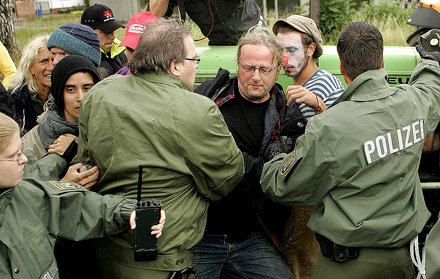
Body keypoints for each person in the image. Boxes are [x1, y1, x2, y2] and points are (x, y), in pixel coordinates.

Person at [261, 22, 440, 279]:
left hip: (345, 265)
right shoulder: (413, 103)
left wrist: (276, 156)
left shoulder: (329, 126)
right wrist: (431, 61)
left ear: (342, 68)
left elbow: (282, 186)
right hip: (401, 262)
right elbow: (431, 88)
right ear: (382, 62)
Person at [78, 18, 244, 278]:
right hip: (161, 259)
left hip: (105, 247)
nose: (196, 68)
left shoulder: (99, 93)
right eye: (194, 60)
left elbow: (87, 164)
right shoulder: (197, 109)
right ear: (175, 66)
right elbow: (227, 178)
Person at [192, 26, 306, 279]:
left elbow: (294, 171)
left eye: (264, 69)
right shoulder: (209, 97)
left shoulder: (287, 113)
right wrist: (262, 169)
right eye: (248, 68)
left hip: (251, 235)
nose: (255, 77)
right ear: (238, 65)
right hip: (201, 233)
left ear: (278, 69)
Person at [0, 112, 165, 279]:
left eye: (20, 151)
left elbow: (74, 206)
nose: (24, 160)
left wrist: (131, 211)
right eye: (13, 156)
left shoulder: (22, 195)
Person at [272, 15, 345, 278]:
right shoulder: (298, 83)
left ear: (311, 49)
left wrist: (319, 105)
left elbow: (344, 141)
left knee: (299, 256)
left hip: (313, 195)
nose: (283, 58)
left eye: (291, 50)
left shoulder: (323, 85)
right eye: (279, 50)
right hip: (302, 188)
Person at [22, 56, 100, 169]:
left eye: (87, 88)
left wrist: (75, 151)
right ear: (59, 95)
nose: (81, 97)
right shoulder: (35, 140)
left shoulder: (109, 126)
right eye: (71, 90)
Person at [9, 35, 54, 134]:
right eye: (44, 61)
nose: (51, 67)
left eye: (54, 60)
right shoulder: (16, 100)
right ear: (31, 68)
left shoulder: (65, 94)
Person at [81, 3, 128, 74]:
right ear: (88, 31)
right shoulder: (83, 62)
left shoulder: (119, 52)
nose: (113, 37)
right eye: (106, 32)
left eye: (113, 31)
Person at [116, 11, 158, 75]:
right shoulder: (120, 76)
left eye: (141, 51)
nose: (134, 57)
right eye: (130, 49)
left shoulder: (174, 78)